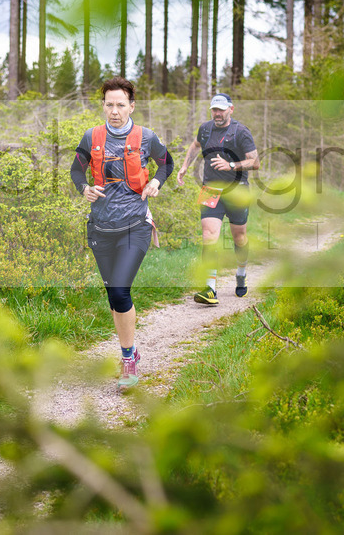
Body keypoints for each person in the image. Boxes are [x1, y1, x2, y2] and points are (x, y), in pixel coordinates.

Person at [71, 77, 174, 391]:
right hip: (100, 228)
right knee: (115, 299)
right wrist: (84, 188)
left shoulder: (146, 137)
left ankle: (128, 359)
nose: (114, 111)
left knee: (119, 291)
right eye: (109, 104)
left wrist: (157, 181)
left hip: (135, 225)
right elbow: (76, 170)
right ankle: (130, 350)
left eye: (120, 104)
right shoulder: (92, 137)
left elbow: (166, 163)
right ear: (103, 105)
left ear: (132, 106)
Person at [176, 92, 259, 305]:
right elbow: (195, 145)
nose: (217, 113)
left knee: (239, 237)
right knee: (209, 234)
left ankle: (241, 274)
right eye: (214, 109)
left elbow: (255, 162)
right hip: (210, 189)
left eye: (221, 109)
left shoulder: (241, 132)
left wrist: (232, 165)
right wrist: (185, 166)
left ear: (231, 109)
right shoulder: (205, 129)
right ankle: (210, 289)